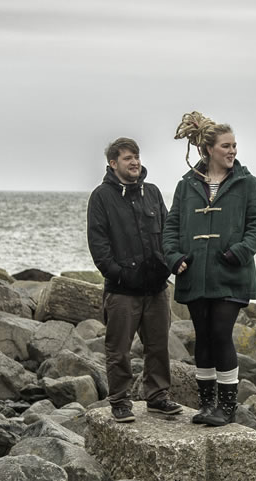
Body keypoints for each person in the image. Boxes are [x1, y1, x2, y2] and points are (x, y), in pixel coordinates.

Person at [162, 112, 256, 426]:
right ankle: (206, 406)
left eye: (234, 145)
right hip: (194, 273)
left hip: (232, 272)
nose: (232, 151)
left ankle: (227, 407)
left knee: (221, 334)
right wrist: (174, 257)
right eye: (226, 146)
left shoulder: (247, 182)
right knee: (203, 337)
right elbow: (171, 227)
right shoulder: (187, 184)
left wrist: (240, 252)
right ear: (209, 150)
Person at [87, 137, 183, 423]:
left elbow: (168, 234)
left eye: (137, 156)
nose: (134, 162)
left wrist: (167, 267)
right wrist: (121, 274)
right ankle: (119, 401)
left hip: (155, 288)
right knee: (118, 350)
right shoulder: (101, 197)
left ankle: (157, 397)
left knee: (158, 346)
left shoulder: (151, 193)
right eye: (128, 158)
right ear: (113, 164)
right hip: (121, 291)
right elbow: (99, 245)